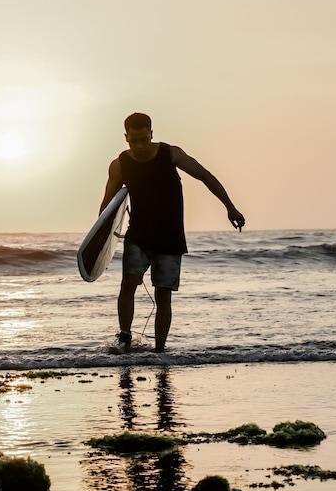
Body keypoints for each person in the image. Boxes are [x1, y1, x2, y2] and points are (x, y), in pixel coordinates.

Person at [99, 112, 245, 353]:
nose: (139, 145)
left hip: (169, 237)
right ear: (126, 138)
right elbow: (107, 204)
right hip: (139, 235)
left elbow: (204, 176)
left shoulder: (170, 154)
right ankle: (125, 336)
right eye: (134, 140)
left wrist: (230, 207)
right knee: (128, 284)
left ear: (151, 134)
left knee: (163, 295)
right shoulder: (120, 165)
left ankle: (159, 351)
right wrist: (100, 239)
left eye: (144, 139)